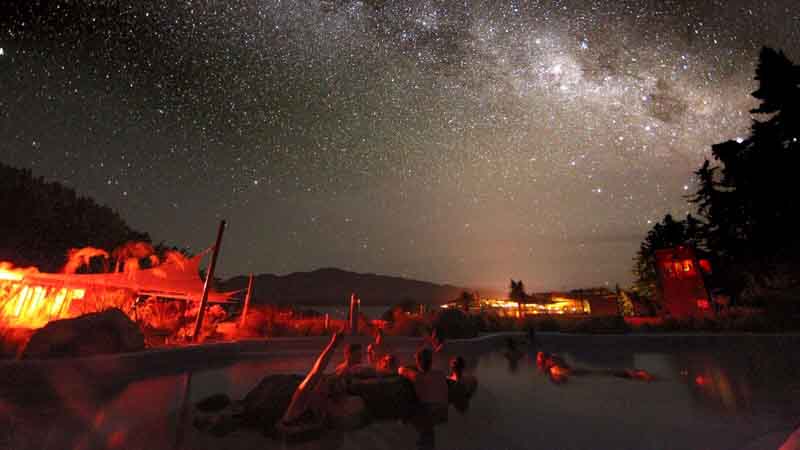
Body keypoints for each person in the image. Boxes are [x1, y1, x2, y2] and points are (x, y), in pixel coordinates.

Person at [399, 348, 448, 450]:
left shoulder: (417, 376)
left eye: (416, 360)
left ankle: (404, 421)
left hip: (425, 413)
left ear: (418, 362)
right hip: (442, 411)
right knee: (428, 433)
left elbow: (401, 370)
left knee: (406, 388)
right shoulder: (440, 374)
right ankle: (426, 441)